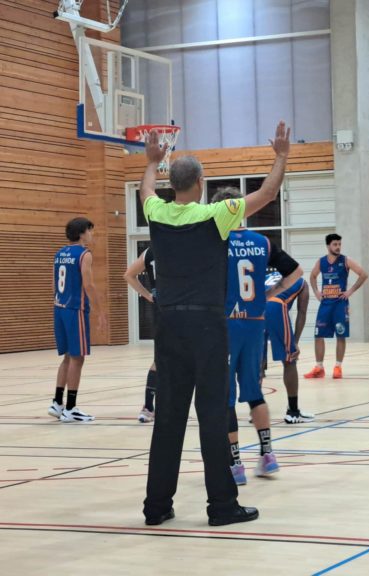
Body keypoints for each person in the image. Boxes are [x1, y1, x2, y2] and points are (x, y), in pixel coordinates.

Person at [139, 120, 290, 527]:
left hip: (167, 325)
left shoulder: (157, 213)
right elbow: (267, 193)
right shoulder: (216, 215)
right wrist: (280, 156)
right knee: (212, 414)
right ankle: (222, 506)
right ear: (201, 183)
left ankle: (156, 507)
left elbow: (146, 191)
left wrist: (151, 162)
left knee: (168, 418)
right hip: (206, 326)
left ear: (174, 184)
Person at [211, 188, 302, 486]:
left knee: (225, 398)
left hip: (226, 325)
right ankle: (267, 454)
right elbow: (296, 272)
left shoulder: (216, 241)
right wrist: (270, 293)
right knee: (254, 392)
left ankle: (235, 463)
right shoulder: (263, 242)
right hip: (254, 323)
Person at [49, 217, 105, 422]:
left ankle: (57, 403)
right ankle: (71, 408)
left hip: (59, 308)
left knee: (67, 357)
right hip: (75, 309)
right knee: (77, 358)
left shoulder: (59, 254)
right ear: (82, 233)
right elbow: (88, 285)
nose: (92, 234)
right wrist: (100, 312)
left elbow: (53, 284)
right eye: (90, 231)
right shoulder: (84, 254)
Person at [304, 234, 368, 379]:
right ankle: (319, 368)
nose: (338, 247)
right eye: (335, 244)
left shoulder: (345, 260)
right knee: (318, 335)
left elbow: (363, 274)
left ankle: (338, 367)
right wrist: (316, 292)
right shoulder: (321, 262)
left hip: (340, 304)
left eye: (339, 244)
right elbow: (312, 276)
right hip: (325, 304)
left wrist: (350, 291)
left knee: (341, 335)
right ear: (328, 246)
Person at [264, 272, 315, 423]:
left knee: (257, 363)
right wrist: (295, 342)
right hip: (276, 306)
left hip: (256, 307)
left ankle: (256, 410)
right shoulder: (301, 282)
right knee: (290, 360)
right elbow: (302, 312)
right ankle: (293, 412)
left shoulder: (268, 276)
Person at [123, 246, 159, 423]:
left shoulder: (150, 251)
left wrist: (149, 296)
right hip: (179, 308)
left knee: (160, 360)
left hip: (161, 308)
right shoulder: (181, 245)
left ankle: (148, 407)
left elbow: (129, 275)